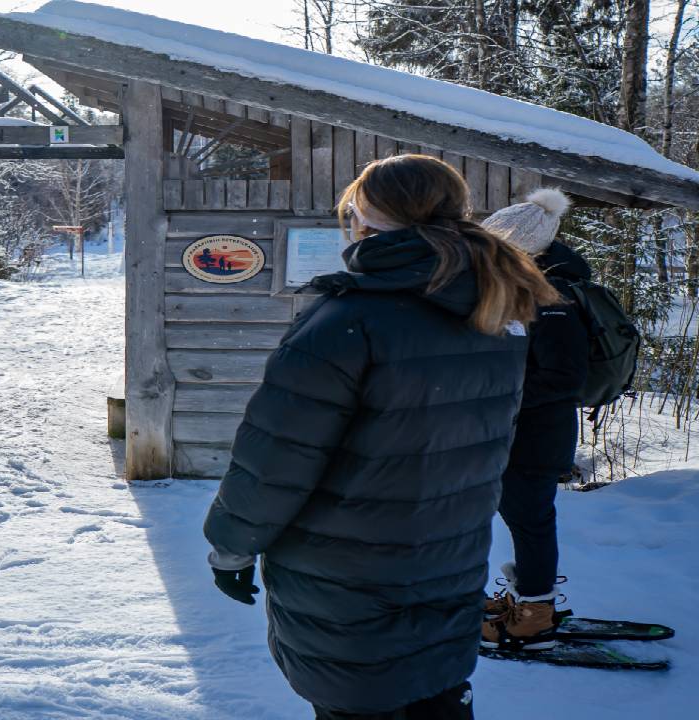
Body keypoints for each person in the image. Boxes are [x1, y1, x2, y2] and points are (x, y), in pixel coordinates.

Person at [203, 154, 563, 720]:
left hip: (347, 580)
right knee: (437, 700)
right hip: (448, 563)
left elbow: (276, 457)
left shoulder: (349, 320)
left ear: (367, 216)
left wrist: (232, 543)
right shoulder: (495, 308)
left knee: (366, 701)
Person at [478, 189, 589, 650]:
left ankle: (536, 614)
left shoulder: (555, 299)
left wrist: (504, 397)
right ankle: (526, 599)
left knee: (530, 520)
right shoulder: (531, 290)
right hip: (521, 432)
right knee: (521, 517)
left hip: (538, 437)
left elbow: (565, 377)